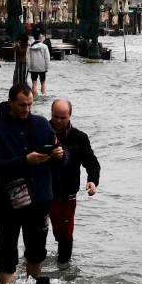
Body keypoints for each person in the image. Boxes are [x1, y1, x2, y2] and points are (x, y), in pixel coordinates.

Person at [0, 84, 67, 284]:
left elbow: (60, 152)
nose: (26, 109)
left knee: (36, 251)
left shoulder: (41, 124)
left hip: (39, 199)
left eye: (30, 104)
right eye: (22, 105)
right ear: (10, 102)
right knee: (6, 252)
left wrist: (61, 154)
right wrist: (24, 161)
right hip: (9, 202)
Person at [48, 99, 100, 264]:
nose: (58, 121)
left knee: (65, 235)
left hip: (67, 194)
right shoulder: (40, 132)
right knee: (35, 235)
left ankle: (64, 272)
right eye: (55, 116)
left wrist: (92, 181)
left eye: (62, 117)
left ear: (70, 116)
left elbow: (92, 162)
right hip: (41, 192)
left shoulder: (79, 137)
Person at [28, 33, 51, 99]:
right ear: (40, 37)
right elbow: (47, 58)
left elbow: (28, 58)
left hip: (33, 67)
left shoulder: (30, 46)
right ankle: (44, 96)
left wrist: (29, 67)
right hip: (42, 67)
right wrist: (47, 67)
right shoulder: (44, 46)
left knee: (34, 83)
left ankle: (34, 98)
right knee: (43, 83)